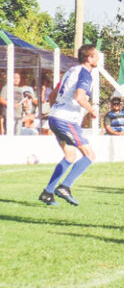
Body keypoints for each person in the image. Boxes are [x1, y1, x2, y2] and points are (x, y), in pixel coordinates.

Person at [39, 45, 99, 206]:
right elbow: (80, 97)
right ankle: (64, 187)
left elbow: (52, 95)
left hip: (55, 117)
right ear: (89, 58)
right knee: (90, 155)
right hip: (66, 120)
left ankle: (48, 193)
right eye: (96, 55)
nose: (98, 58)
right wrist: (92, 110)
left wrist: (57, 111)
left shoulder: (71, 71)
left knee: (70, 155)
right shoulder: (85, 74)